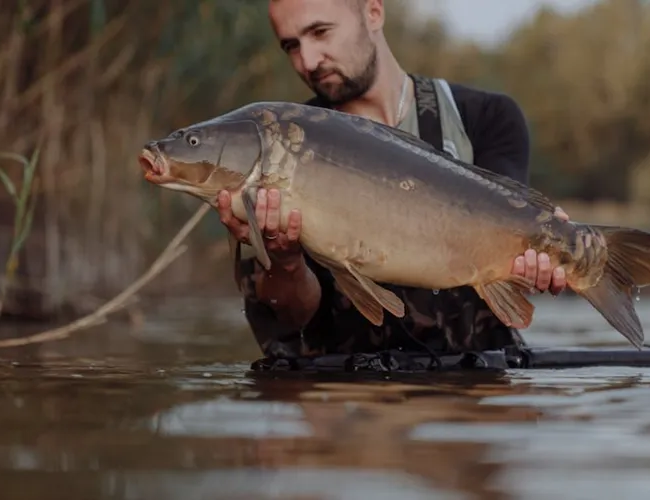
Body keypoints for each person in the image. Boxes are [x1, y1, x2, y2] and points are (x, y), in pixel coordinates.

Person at [219, 0, 571, 369]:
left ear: (373, 12)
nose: (308, 61)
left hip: (477, 394)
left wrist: (543, 254)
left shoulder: (485, 118)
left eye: (320, 32)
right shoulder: (277, 152)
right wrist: (285, 260)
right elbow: (292, 320)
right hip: (349, 399)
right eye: (291, 45)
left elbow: (512, 240)